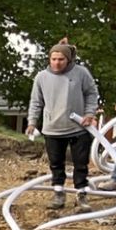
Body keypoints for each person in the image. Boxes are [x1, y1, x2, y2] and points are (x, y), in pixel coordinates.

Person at [26, 40, 101, 210]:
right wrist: (32, 122)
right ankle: (58, 193)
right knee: (56, 164)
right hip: (53, 128)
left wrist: (90, 113)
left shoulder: (81, 73)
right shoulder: (41, 77)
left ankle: (81, 194)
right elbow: (36, 102)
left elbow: (91, 93)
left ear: (68, 60)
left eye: (60, 59)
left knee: (80, 164)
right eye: (53, 59)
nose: (56, 63)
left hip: (78, 127)